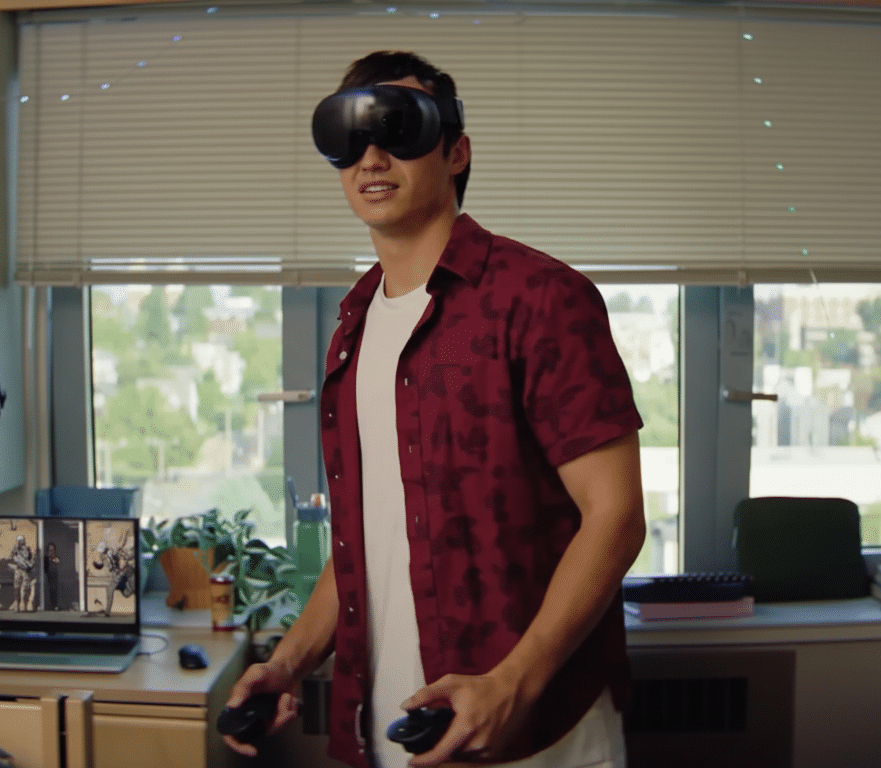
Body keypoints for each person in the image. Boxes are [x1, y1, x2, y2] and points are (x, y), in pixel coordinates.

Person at [224, 51, 646, 768]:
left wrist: (516, 680)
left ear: (456, 151)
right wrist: (288, 663)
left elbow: (616, 515)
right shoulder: (354, 325)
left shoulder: (541, 299)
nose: (373, 155)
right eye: (348, 134)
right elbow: (366, 536)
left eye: (400, 127)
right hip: (388, 729)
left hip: (532, 733)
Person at [8, 534, 35, 613]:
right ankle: (17, 606)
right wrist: (16, 562)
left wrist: (29, 566)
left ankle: (25, 606)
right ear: (18, 541)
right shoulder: (15, 549)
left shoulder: (28, 549)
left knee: (26, 588)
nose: (22, 542)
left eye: (23, 540)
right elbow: (10, 559)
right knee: (17, 588)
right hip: (18, 570)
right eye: (20, 541)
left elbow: (31, 559)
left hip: (25, 572)